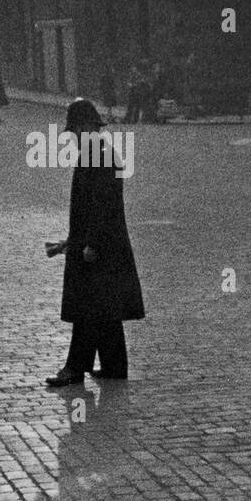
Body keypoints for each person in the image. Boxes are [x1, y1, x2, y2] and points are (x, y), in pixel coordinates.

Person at [45, 98, 145, 386]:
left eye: (75, 130)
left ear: (87, 127)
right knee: (105, 308)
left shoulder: (98, 155)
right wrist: (71, 241)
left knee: (86, 308)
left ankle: (75, 368)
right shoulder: (98, 152)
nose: (73, 136)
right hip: (102, 244)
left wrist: (92, 244)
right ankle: (114, 365)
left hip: (99, 247)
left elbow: (104, 207)